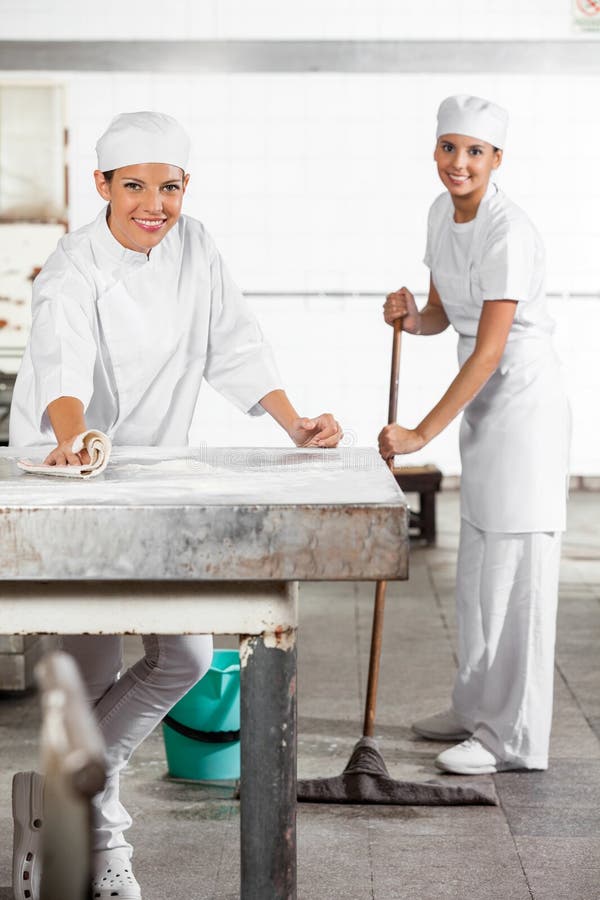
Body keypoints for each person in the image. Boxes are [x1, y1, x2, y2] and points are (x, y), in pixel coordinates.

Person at [9, 111, 342, 900]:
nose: (153, 203)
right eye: (134, 186)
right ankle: (103, 845)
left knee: (187, 656)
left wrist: (295, 420)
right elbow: (63, 362)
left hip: (156, 470)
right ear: (102, 186)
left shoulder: (197, 248)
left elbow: (236, 342)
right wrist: (70, 439)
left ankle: (62, 796)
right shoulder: (72, 266)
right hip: (69, 472)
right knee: (88, 673)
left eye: (169, 186)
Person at [378, 95, 570, 777]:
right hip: (485, 412)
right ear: (436, 151)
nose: (460, 163)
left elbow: (489, 351)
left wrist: (419, 432)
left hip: (524, 410)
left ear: (496, 160)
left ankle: (513, 737)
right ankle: (474, 706)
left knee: (518, 574)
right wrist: (406, 318)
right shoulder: (440, 215)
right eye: (449, 148)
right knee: (478, 568)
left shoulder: (509, 231)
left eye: (476, 152)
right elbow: (441, 318)